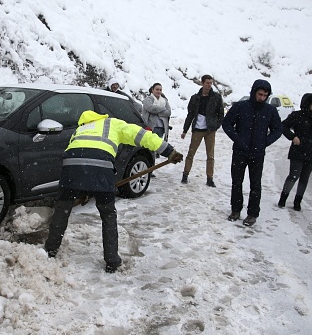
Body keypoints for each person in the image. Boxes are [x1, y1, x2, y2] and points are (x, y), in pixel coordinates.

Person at [44, 110, 183, 273]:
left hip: (71, 169)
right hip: (101, 169)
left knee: (62, 210)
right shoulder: (112, 123)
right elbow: (143, 136)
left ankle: (50, 250)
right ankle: (112, 261)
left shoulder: (79, 130)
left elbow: (81, 158)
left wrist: (83, 188)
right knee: (108, 214)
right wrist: (168, 151)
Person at [222, 79, 282, 226]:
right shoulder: (240, 107)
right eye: (260, 94)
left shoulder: (270, 111)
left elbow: (278, 130)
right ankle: (235, 210)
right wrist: (237, 138)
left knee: (255, 184)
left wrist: (265, 142)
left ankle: (252, 213)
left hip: (258, 153)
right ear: (254, 92)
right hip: (240, 152)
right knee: (237, 182)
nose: (262, 97)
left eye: (265, 95)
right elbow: (227, 123)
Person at [277, 93, 312, 211]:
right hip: (298, 151)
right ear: (307, 103)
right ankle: (283, 198)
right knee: (293, 176)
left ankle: (297, 201)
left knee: (304, 178)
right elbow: (283, 126)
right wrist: (293, 137)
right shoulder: (297, 116)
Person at [180, 75, 224, 187]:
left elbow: (221, 114)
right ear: (202, 83)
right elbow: (190, 114)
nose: (209, 85)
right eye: (207, 83)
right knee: (191, 153)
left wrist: (216, 126)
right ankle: (185, 174)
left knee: (210, 155)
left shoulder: (216, 97)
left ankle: (210, 178)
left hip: (210, 130)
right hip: (197, 129)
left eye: (211, 83)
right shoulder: (195, 98)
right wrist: (185, 129)